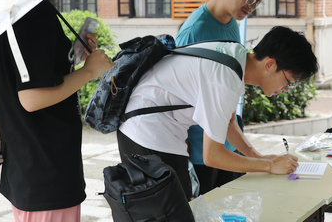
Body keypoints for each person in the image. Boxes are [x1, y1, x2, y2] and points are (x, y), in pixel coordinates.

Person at [117, 26, 318, 198]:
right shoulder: (224, 78)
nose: (286, 89)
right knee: (167, 210)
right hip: (146, 133)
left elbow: (228, 123)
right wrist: (269, 166)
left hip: (155, 128)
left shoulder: (235, 55)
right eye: (288, 82)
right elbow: (213, 156)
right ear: (270, 64)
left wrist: (260, 157)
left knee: (178, 206)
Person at [0, 0, 112, 221]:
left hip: (28, 165)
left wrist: (73, 58)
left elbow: (35, 75)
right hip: (46, 168)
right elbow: (31, 98)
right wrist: (89, 71)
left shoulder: (4, 13)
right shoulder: (32, 14)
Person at [176, 0, 273, 195]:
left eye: (258, 1)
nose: (252, 6)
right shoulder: (194, 30)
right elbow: (178, 96)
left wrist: (255, 156)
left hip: (226, 140)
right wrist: (182, 152)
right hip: (199, 148)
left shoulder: (231, 23)